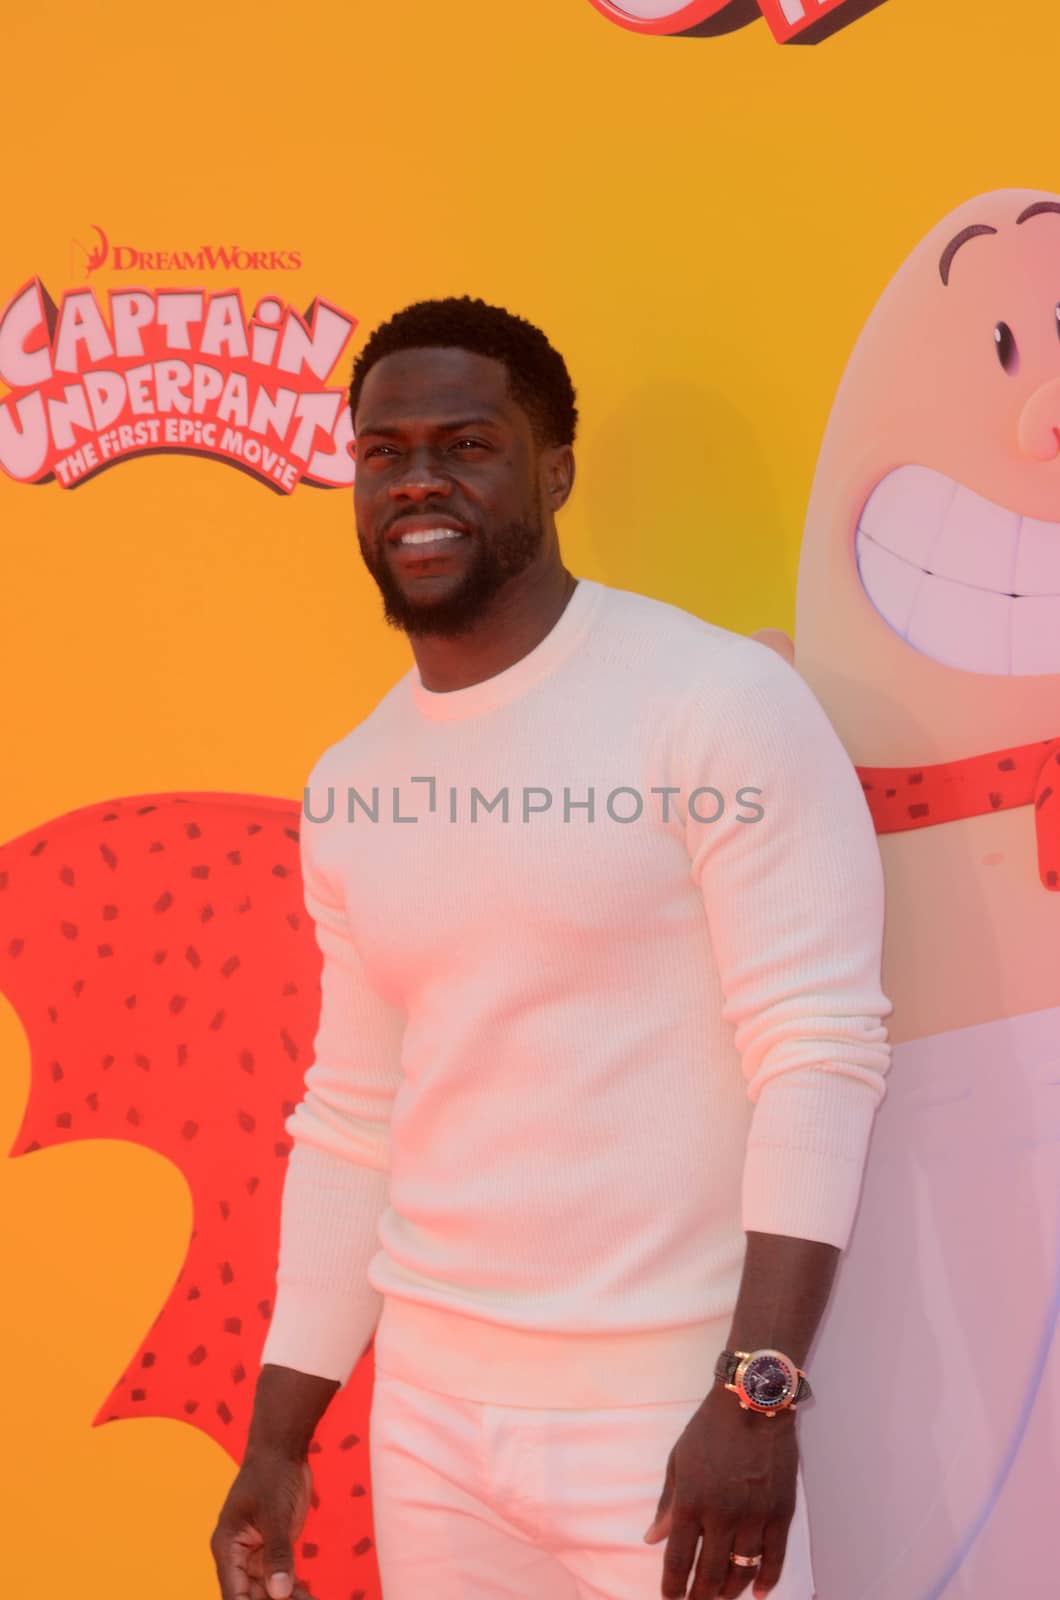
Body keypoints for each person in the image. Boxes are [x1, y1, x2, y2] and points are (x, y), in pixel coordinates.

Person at [210, 296, 892, 1600]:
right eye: (384, 451)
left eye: (466, 445)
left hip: (669, 1407)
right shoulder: (354, 780)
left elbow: (818, 1050)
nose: (417, 482)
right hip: (432, 1421)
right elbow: (355, 1119)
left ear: (553, 470)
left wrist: (754, 1400)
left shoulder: (714, 705)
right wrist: (279, 1440)